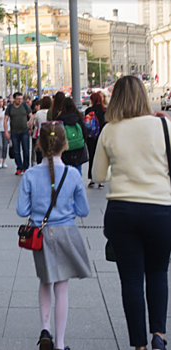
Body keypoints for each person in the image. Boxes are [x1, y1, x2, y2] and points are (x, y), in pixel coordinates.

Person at [92, 75, 171, 350]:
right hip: (161, 210)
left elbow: (98, 174)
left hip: (122, 211)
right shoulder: (163, 125)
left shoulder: (110, 130)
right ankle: (159, 336)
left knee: (132, 280)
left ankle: (138, 345)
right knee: (159, 272)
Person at [17, 122, 92, 350]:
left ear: (38, 144)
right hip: (66, 232)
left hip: (41, 235)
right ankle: (60, 344)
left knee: (45, 281)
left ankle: (45, 329)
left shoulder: (29, 174)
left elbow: (22, 210)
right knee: (62, 287)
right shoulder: (72, 175)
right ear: (66, 145)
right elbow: (84, 210)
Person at [56, 98, 88, 174]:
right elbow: (84, 132)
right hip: (78, 147)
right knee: (78, 170)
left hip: (65, 149)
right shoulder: (79, 117)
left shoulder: (59, 119)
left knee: (65, 172)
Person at [4, 92, 33, 175]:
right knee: (16, 151)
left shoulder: (25, 106)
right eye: (18, 99)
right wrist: (6, 131)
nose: (20, 100)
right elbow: (5, 119)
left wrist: (30, 127)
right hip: (14, 133)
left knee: (26, 150)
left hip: (25, 131)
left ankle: (26, 167)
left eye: (21, 99)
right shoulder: (10, 108)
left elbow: (31, 116)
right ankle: (19, 167)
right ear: (14, 99)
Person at [84, 93, 106, 189]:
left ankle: (92, 179)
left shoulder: (88, 111)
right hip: (102, 136)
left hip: (91, 138)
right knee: (102, 157)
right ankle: (100, 181)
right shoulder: (104, 111)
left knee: (92, 157)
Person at [33, 96, 52, 164]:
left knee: (40, 153)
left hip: (41, 134)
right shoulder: (51, 111)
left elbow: (36, 124)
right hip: (50, 134)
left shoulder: (38, 113)